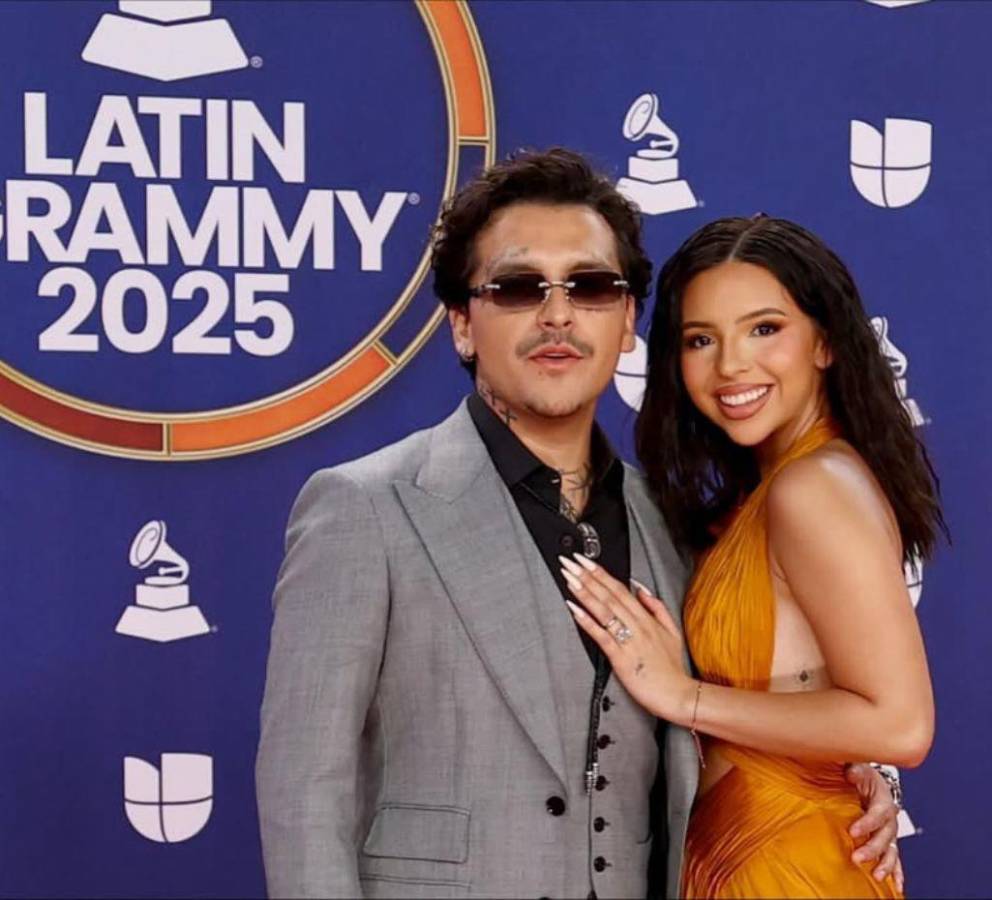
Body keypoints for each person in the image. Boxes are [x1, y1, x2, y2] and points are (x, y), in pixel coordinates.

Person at [255, 153, 903, 899]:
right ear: (462, 324)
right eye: (518, 288)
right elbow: (304, 792)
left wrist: (852, 771)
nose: (557, 315)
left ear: (627, 323)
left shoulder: (675, 524)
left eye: (590, 287)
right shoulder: (364, 509)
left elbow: (743, 713)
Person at [560, 215, 942, 898]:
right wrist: (855, 764)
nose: (732, 364)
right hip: (746, 850)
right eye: (701, 339)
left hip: (790, 864)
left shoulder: (813, 486)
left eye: (764, 329)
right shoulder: (767, 490)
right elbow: (816, 691)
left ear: (824, 341)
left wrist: (682, 697)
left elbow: (900, 723)